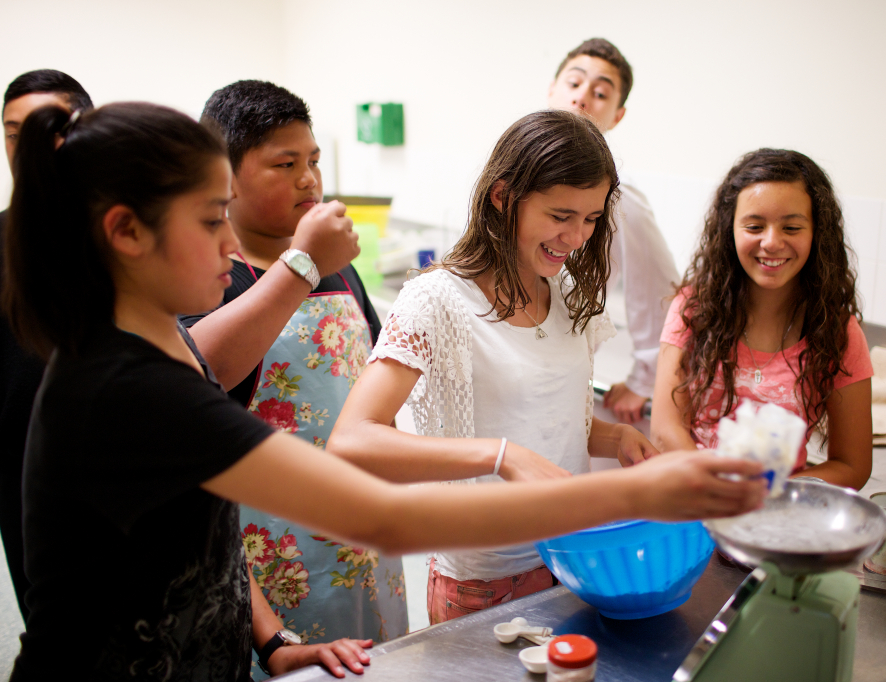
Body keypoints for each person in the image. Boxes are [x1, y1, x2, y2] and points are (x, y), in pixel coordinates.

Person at [4, 101, 766, 680]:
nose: (233, 244)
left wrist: (270, 642)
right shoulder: (125, 390)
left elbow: (206, 537)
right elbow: (386, 517)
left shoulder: (158, 350)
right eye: (212, 220)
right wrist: (638, 494)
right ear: (125, 233)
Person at [330, 110, 736, 625]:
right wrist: (500, 456)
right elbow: (353, 440)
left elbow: (551, 415)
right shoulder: (438, 301)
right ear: (503, 197)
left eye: (590, 219)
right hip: (484, 575)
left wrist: (614, 440)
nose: (576, 237)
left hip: (576, 559)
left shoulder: (566, 292)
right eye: (560, 215)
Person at [181, 81, 404, 670]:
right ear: (224, 177)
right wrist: (301, 264)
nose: (309, 179)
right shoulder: (211, 277)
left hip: (360, 539)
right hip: (269, 560)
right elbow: (200, 365)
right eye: (285, 164)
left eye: (313, 161)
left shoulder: (341, 270)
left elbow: (374, 384)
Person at [650, 148, 873, 490]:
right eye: (754, 226)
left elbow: (852, 466)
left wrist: (770, 492)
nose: (771, 242)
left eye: (792, 227)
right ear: (730, 230)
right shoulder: (692, 307)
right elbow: (665, 431)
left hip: (774, 517)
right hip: (690, 507)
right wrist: (714, 489)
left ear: (817, 233)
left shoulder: (838, 331)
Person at [547, 38, 680, 424]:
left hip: (560, 374)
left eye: (601, 92)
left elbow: (660, 290)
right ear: (551, 90)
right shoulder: (512, 173)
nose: (583, 96)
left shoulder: (618, 197)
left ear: (617, 115)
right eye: (573, 83)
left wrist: (646, 378)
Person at [0, 69, 93, 619]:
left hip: (126, 456)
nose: (27, 145)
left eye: (47, 127)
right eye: (13, 133)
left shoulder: (127, 238)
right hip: (23, 471)